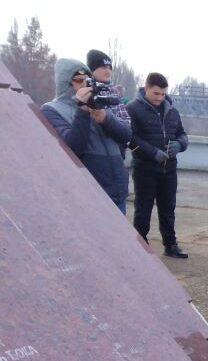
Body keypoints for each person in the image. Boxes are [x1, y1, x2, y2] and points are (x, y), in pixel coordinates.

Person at [41, 59, 131, 214]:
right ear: (66, 83)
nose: (84, 85)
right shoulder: (52, 110)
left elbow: (126, 135)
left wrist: (104, 119)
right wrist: (82, 111)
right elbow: (74, 148)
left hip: (117, 190)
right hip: (88, 194)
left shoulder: (97, 102)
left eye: (88, 80)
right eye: (79, 80)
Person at [127, 72, 189, 258]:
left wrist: (180, 145)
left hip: (169, 169)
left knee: (168, 208)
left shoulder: (172, 111)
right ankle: (140, 244)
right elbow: (130, 138)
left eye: (163, 94)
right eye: (156, 93)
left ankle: (170, 245)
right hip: (145, 168)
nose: (160, 98)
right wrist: (152, 153)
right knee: (143, 208)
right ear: (146, 89)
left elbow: (182, 134)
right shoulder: (133, 109)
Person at [85, 49, 129, 127]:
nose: (108, 72)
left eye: (110, 68)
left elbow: (126, 121)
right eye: (103, 67)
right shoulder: (84, 91)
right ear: (92, 69)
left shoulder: (113, 91)